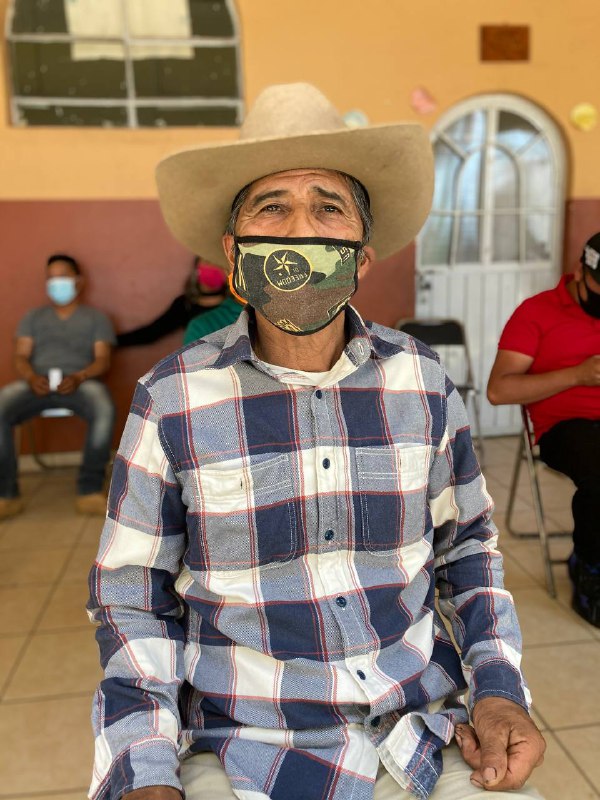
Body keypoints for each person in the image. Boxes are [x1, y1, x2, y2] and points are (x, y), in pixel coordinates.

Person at [87, 83, 545, 800]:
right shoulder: (172, 398)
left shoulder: (421, 381)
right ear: (234, 254)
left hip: (421, 733)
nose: (300, 229)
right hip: (243, 750)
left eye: (328, 207)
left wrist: (499, 691)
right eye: (272, 207)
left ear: (361, 257)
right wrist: (144, 771)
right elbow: (131, 600)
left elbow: (467, 552)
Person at [487, 232, 600, 627]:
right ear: (581, 272)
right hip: (566, 427)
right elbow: (499, 390)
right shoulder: (537, 312)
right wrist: (578, 375)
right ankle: (590, 570)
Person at [0, 254, 116, 518]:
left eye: (62, 277)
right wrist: (31, 377)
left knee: (103, 405)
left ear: (78, 281)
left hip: (80, 382)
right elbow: (20, 355)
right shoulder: (33, 317)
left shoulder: (96, 318)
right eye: (51, 278)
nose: (56, 283)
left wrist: (79, 377)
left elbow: (102, 360)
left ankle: (89, 490)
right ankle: (6, 494)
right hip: (36, 383)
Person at [117, 257, 229, 347]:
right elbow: (152, 332)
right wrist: (113, 340)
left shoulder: (234, 302)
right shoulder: (185, 304)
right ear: (196, 267)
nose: (212, 267)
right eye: (207, 261)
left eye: (217, 263)